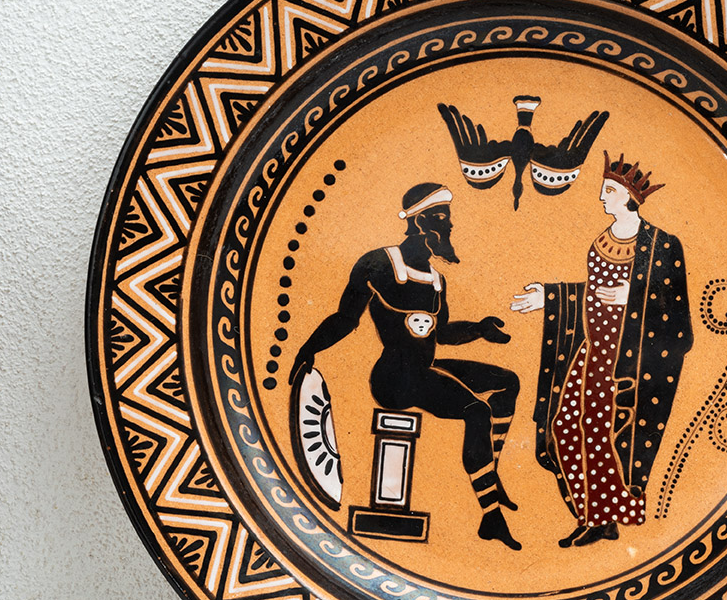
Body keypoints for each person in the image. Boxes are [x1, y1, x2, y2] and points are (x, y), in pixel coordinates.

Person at [291, 182, 522, 550]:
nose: (449, 225)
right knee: (476, 410)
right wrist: (309, 348)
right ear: (419, 221)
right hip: (393, 380)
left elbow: (442, 333)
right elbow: (346, 318)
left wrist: (479, 330)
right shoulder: (379, 264)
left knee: (507, 381)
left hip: (424, 369)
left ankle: (489, 475)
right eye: (441, 217)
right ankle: (491, 516)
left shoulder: (436, 280)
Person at [512, 153, 692, 546]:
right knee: (564, 426)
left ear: (630, 198)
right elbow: (595, 293)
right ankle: (591, 513)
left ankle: (605, 517)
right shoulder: (602, 239)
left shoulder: (662, 245)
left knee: (605, 432)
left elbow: (677, 314)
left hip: (631, 357)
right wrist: (552, 297)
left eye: (608, 191)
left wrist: (634, 296)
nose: (601, 197)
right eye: (604, 189)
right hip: (593, 348)